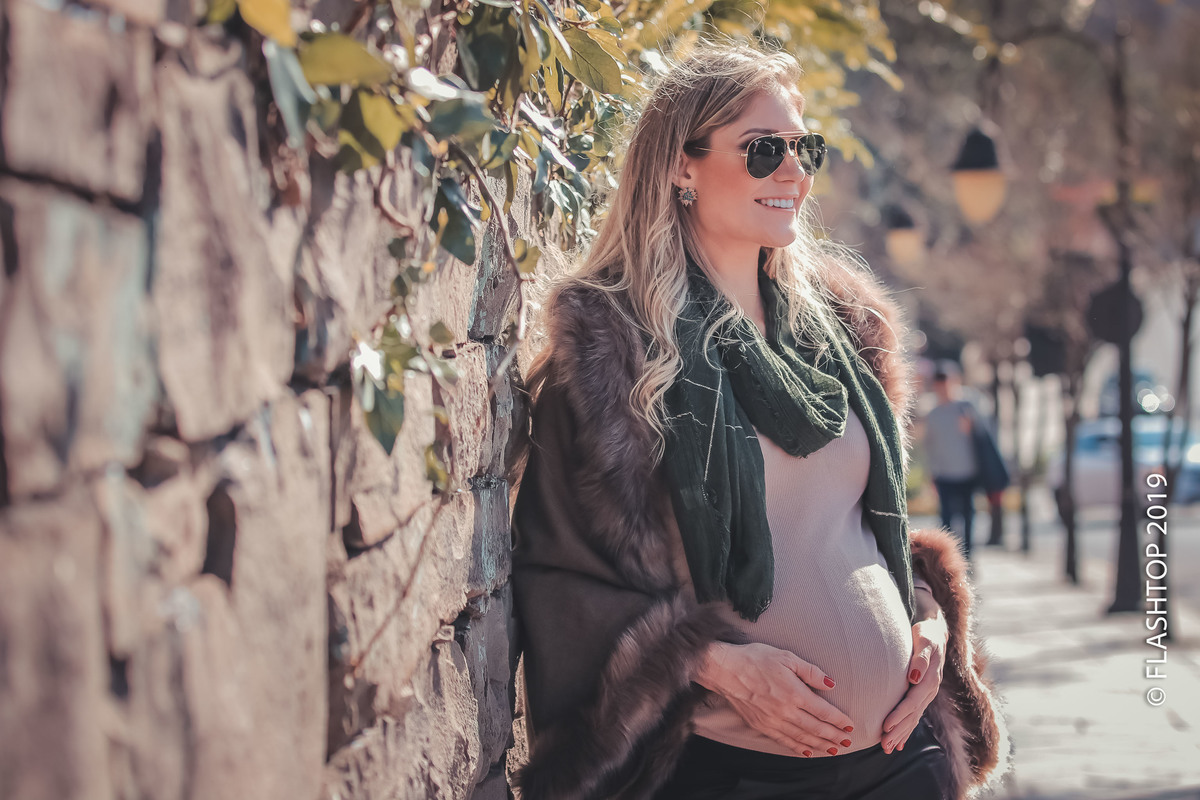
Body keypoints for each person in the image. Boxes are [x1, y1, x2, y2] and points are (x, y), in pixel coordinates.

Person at [509, 40, 1009, 800]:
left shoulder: (844, 333)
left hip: (904, 760)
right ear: (681, 165)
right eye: (763, 149)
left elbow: (859, 531)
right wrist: (715, 663)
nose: (793, 172)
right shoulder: (615, 354)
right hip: (734, 774)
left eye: (804, 149)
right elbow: (559, 579)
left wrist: (928, 620)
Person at [922, 362, 983, 560]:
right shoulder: (933, 415)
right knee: (946, 521)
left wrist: (972, 427)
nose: (944, 389)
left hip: (968, 472)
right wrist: (931, 473)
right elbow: (929, 446)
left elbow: (983, 435)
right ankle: (949, 561)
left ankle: (968, 559)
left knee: (968, 518)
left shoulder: (967, 407)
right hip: (944, 474)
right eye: (940, 385)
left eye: (947, 383)